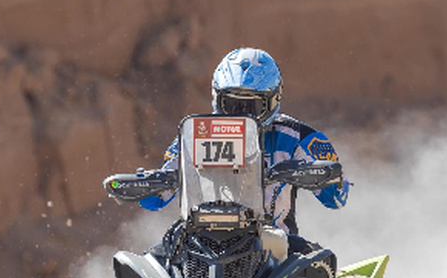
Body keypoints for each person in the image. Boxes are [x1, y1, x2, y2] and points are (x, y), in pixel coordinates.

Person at [139, 48, 348, 251]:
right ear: (216, 99)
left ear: (274, 100)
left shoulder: (298, 137)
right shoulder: (196, 135)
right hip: (201, 245)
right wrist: (147, 183)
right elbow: (154, 200)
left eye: (252, 107)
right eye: (232, 105)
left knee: (317, 260)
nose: (242, 116)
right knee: (152, 262)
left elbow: (337, 198)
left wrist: (321, 175)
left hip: (274, 248)